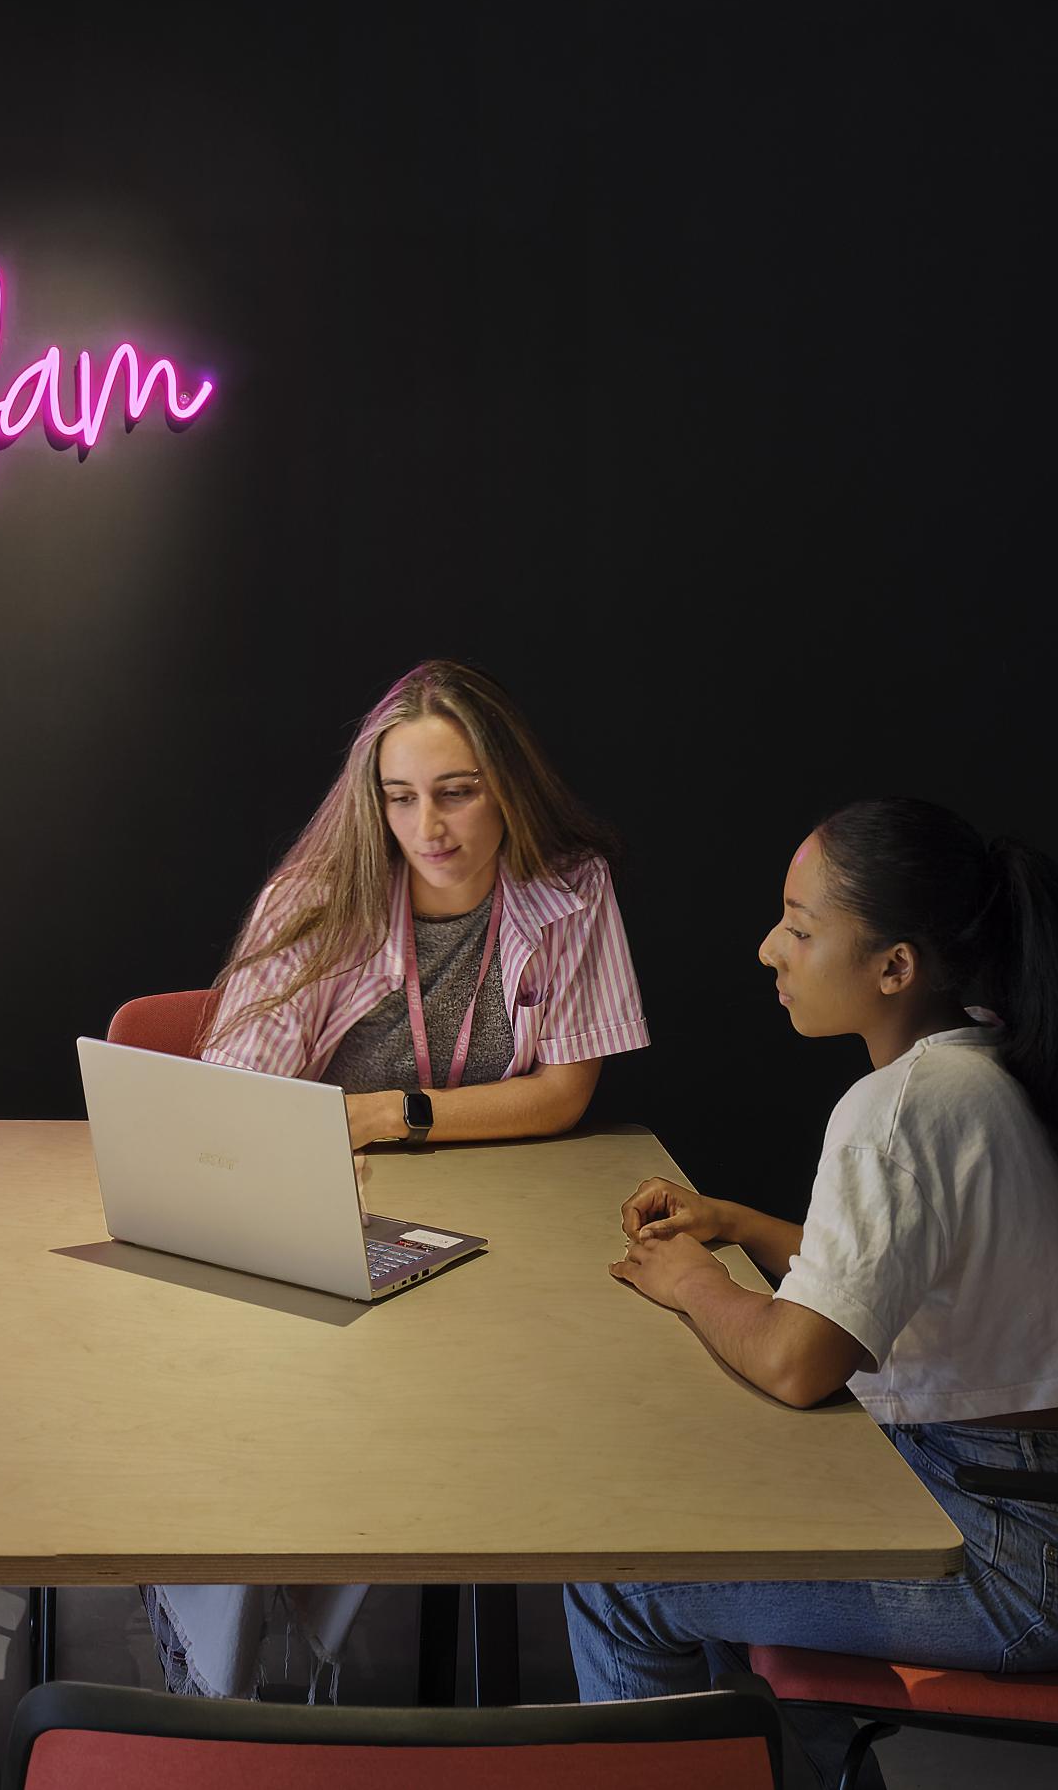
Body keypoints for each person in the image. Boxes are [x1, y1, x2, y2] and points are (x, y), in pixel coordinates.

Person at [565, 797, 1058, 1767]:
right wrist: (740, 1226)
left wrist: (693, 1280)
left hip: (1019, 1552)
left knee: (619, 1573)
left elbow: (801, 1362)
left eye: (800, 926)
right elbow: (902, 1275)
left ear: (895, 966)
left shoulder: (901, 1109)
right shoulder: (985, 1062)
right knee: (692, 1496)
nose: (768, 948)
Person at [144, 658, 650, 1699]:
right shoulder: (318, 895)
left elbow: (563, 1095)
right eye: (402, 795)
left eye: (457, 790)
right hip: (340, 1209)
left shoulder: (573, 885)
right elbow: (234, 1101)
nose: (431, 825)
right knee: (276, 1388)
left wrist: (387, 1110)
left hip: (508, 1224)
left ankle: (370, 1664)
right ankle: (221, 1684)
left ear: (506, 782)